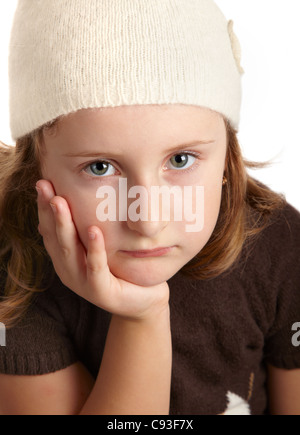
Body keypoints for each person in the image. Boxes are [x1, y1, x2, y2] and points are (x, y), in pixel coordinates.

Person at [0, 0, 299, 415]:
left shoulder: (282, 247)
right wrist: (142, 316)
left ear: (228, 158)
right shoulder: (15, 264)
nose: (147, 219)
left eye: (181, 160)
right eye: (100, 167)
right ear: (35, 169)